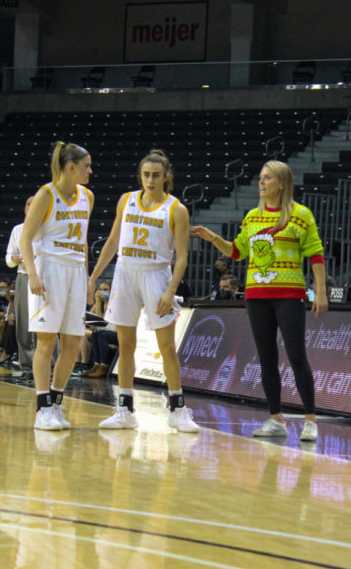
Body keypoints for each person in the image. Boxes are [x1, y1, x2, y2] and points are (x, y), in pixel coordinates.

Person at [192, 160, 327, 441]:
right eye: (261, 178)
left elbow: (315, 254)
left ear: (282, 183)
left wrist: (321, 291)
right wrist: (214, 238)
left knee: (296, 355)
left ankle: (310, 420)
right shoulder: (252, 216)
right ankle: (275, 418)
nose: (261, 183)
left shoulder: (301, 215)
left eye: (268, 178)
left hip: (289, 295)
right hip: (256, 296)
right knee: (266, 358)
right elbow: (237, 252)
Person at [88, 149, 199, 433]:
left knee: (167, 348)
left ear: (166, 177)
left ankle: (177, 408)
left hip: (157, 276)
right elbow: (113, 241)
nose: (150, 180)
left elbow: (183, 256)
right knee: (126, 345)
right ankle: (125, 408)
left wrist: (170, 290)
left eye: (156, 175)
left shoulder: (177, 209)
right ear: (140, 175)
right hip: (125, 273)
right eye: (146, 175)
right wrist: (94, 276)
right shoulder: (126, 200)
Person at [20, 141, 94, 431]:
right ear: (71, 167)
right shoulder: (46, 194)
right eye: (86, 165)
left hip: (76, 270)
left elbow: (84, 241)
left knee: (73, 343)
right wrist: (33, 273)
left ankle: (56, 403)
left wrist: (88, 278)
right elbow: (26, 237)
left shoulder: (88, 195)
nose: (91, 170)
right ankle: (41, 409)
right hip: (49, 268)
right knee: (46, 341)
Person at [6, 195, 37, 369]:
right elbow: (8, 257)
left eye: (33, 204)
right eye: (27, 204)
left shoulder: (46, 228)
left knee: (43, 323)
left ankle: (47, 364)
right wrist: (14, 259)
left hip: (42, 277)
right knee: (23, 323)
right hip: (23, 276)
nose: (30, 207)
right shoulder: (17, 230)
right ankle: (26, 365)